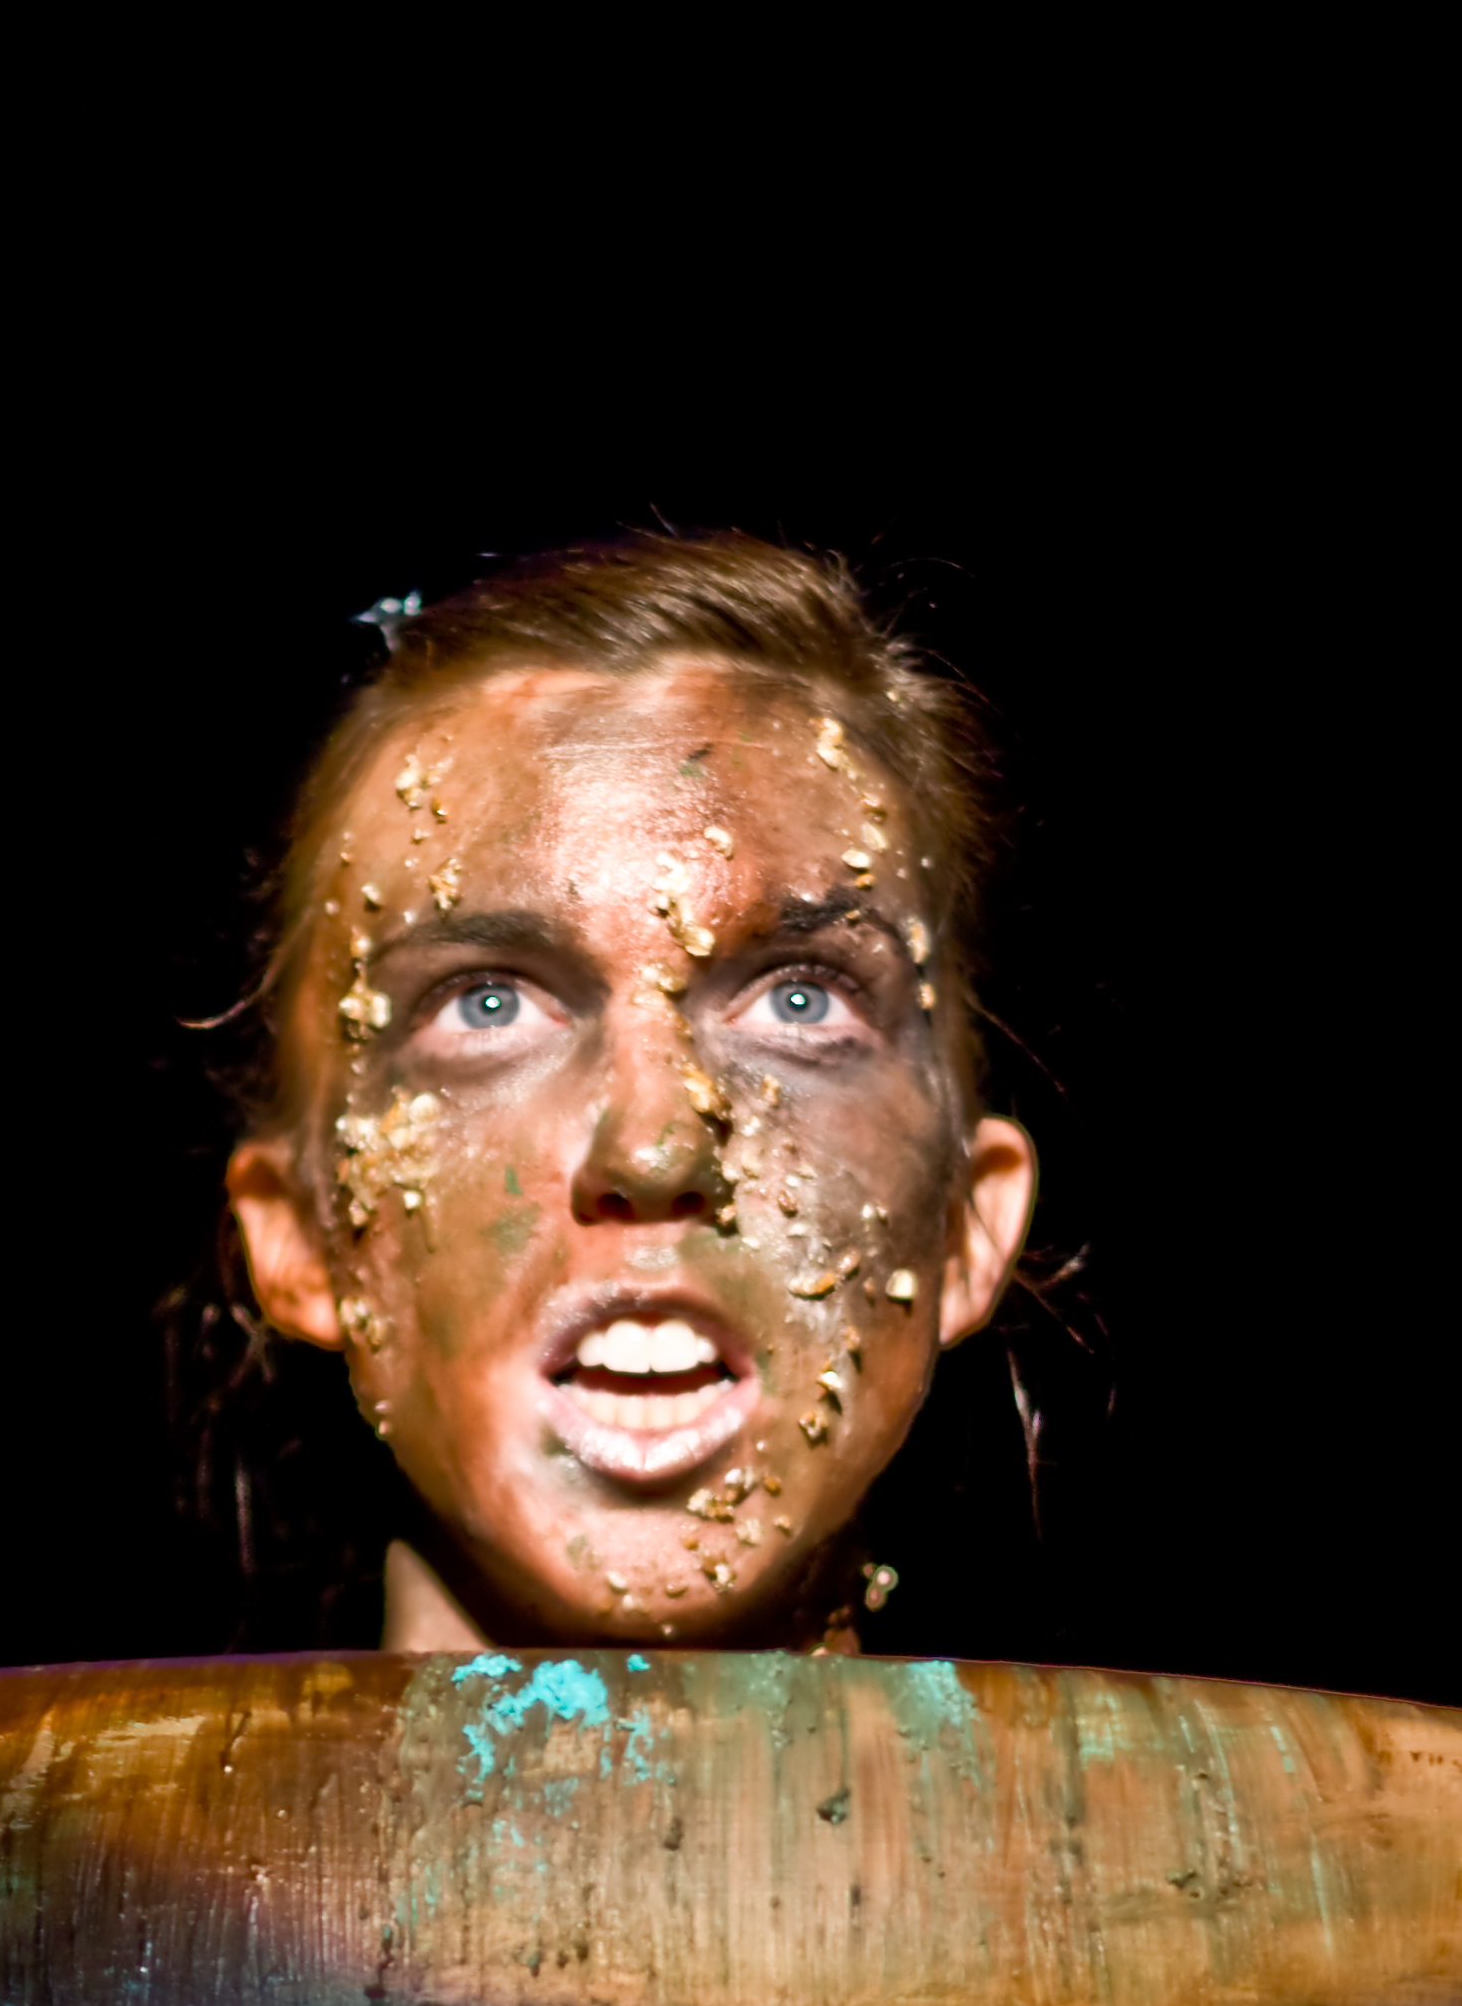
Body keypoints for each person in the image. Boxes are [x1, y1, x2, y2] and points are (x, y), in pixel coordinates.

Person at [219, 532, 1038, 1655]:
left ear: (963, 1224)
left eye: (799, 1000)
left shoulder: (1264, 1774)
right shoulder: (29, 1776)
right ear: (301, 1235)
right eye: (486, 1005)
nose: (654, 1148)